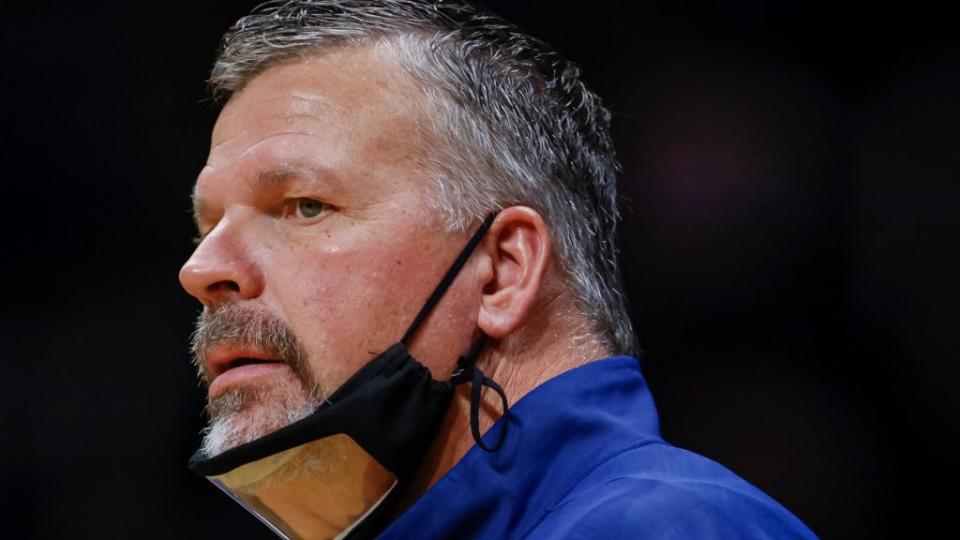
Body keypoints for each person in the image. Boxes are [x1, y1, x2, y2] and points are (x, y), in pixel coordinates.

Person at [179, 1, 816, 538]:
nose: (201, 269)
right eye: (207, 227)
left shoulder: (661, 526)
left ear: (502, 271)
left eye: (304, 206)